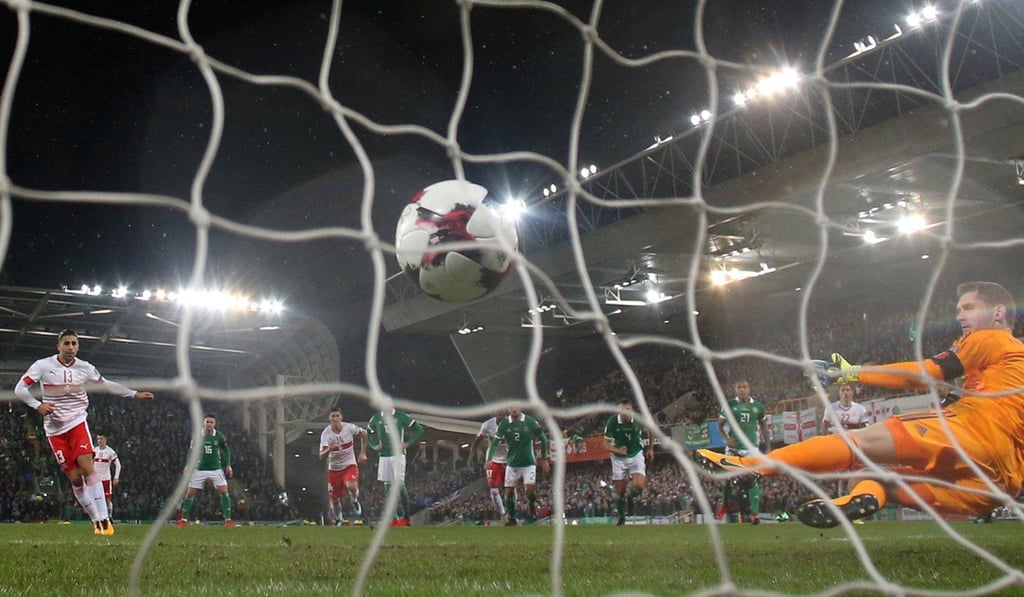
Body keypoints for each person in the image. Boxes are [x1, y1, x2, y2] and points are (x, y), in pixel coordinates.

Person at [697, 281, 1024, 528]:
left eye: (968, 308)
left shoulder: (991, 338)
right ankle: (862, 500)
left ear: (999, 313)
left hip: (975, 432)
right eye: (958, 310)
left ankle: (753, 466)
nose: (961, 317)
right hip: (1001, 482)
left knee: (857, 442)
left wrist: (854, 373)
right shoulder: (1013, 361)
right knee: (877, 482)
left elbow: (927, 373)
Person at [14, 329, 154, 536]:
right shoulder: (42, 366)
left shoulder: (85, 368)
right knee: (76, 479)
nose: (71, 347)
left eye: (74, 344)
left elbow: (105, 384)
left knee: (88, 467)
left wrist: (134, 394)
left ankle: (104, 520)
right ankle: (95, 520)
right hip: (54, 430)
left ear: (78, 347)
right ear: (58, 346)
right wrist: (37, 406)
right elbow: (19, 389)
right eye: (67, 343)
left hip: (77, 422)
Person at [715, 379, 770, 524]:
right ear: (735, 390)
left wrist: (768, 447)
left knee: (753, 479)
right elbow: (720, 426)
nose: (742, 390)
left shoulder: (758, 406)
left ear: (749, 389)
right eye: (739, 387)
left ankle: (755, 514)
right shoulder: (729, 404)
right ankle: (726, 504)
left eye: (744, 387)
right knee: (727, 479)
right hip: (733, 448)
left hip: (751, 448)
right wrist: (726, 439)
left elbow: (764, 426)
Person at [488, 406, 550, 526]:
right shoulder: (504, 424)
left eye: (516, 406)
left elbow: (543, 438)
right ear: (508, 410)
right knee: (508, 493)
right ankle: (511, 518)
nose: (514, 409)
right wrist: (489, 459)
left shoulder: (530, 422)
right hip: (512, 464)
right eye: (511, 407)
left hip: (528, 463)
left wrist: (544, 459)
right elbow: (495, 443)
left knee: (529, 492)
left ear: (520, 408)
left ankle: (531, 504)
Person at [366, 408, 425, 526]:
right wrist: (374, 446)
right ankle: (394, 518)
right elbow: (367, 433)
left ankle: (406, 517)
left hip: (398, 455)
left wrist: (407, 443)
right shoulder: (376, 418)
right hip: (383, 456)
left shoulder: (400, 416)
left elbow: (419, 429)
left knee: (399, 485)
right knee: (388, 488)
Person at [178, 414, 236, 528]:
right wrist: (188, 465)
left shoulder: (219, 436)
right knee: (190, 493)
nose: (209, 424)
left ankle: (228, 520)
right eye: (207, 422)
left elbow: (226, 451)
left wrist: (228, 465)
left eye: (211, 422)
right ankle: (183, 520)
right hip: (199, 469)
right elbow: (191, 451)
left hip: (216, 469)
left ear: (214, 424)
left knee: (224, 491)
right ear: (203, 423)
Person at [603, 398, 654, 526]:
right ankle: (621, 517)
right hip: (618, 459)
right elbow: (606, 444)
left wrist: (650, 448)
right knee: (619, 492)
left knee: (639, 485)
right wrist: (618, 450)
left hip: (636, 454)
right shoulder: (612, 422)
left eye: (628, 410)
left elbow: (651, 429)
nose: (626, 413)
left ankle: (630, 498)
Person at [319, 408, 368, 526]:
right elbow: (321, 455)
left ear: (341, 417)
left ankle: (354, 500)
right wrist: (329, 449)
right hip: (334, 468)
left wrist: (363, 452)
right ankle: (339, 519)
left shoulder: (349, 428)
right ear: (329, 418)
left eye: (337, 416)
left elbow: (364, 433)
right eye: (333, 416)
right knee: (334, 499)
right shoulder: (326, 434)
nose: (335, 419)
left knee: (352, 485)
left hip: (349, 464)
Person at [469, 408, 510, 519]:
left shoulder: (511, 424)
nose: (501, 416)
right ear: (495, 414)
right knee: (493, 488)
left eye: (503, 414)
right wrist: (471, 457)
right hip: (493, 459)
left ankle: (512, 513)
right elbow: (477, 440)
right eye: (499, 414)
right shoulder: (487, 425)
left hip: (508, 458)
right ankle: (503, 514)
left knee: (511, 487)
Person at [92, 434, 121, 519]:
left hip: (106, 479)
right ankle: (97, 517)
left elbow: (118, 464)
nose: (99, 441)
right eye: (98, 439)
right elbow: (90, 462)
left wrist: (116, 477)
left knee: (107, 499)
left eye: (101, 438)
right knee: (95, 499)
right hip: (96, 480)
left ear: (105, 439)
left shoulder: (110, 452)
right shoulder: (94, 450)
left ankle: (109, 517)